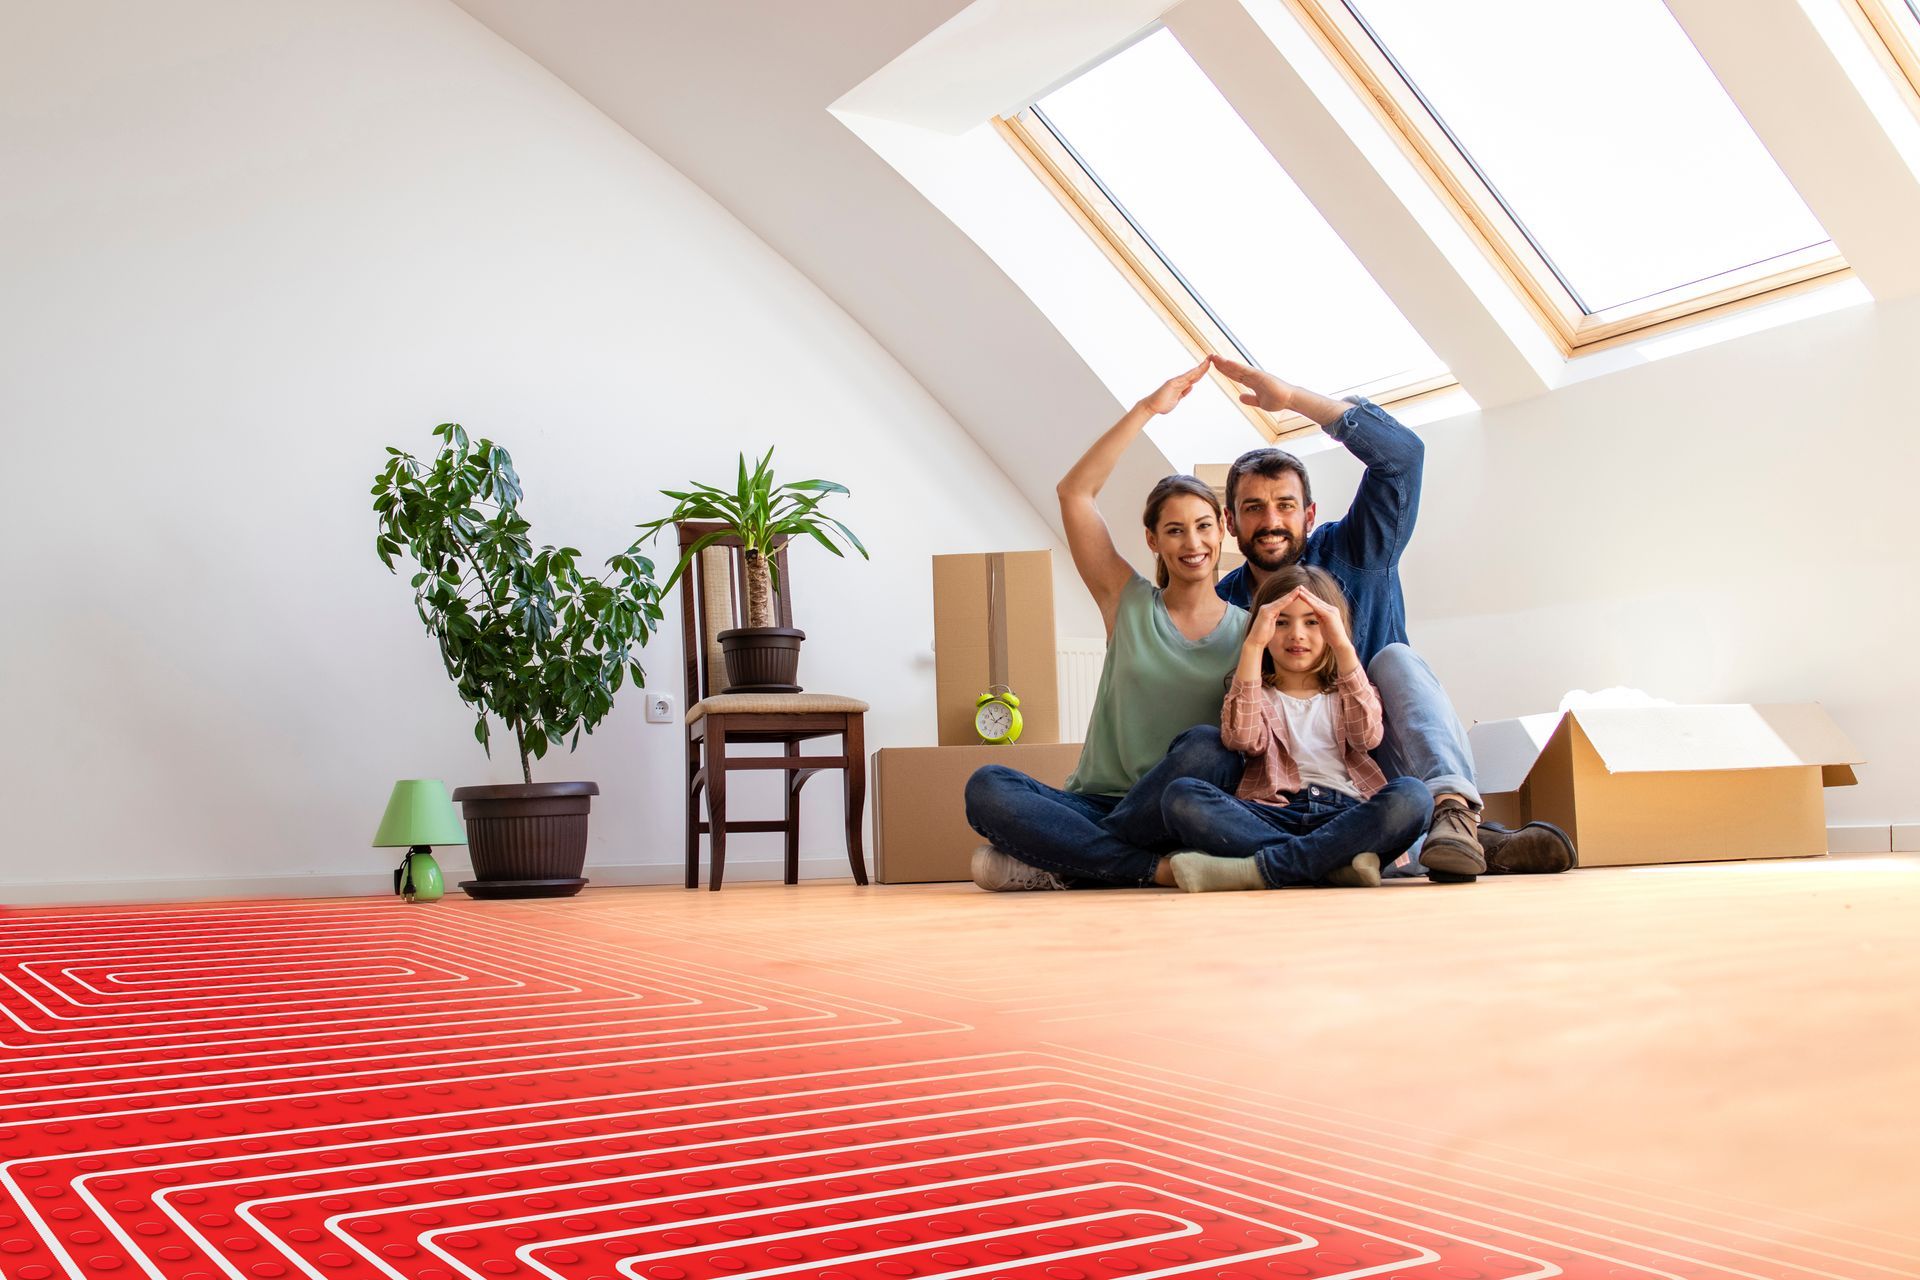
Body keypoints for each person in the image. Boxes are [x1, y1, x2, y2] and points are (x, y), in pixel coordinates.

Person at [1206, 354, 1575, 881]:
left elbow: (1402, 457)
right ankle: (1458, 847)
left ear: (1309, 514)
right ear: (1230, 522)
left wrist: (1290, 399)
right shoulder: (1226, 606)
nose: (1271, 522)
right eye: (1254, 508)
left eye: (1285, 506)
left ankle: (1453, 815)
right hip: (1291, 788)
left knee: (1397, 659)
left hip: (1383, 764)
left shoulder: (1356, 550)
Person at [965, 360, 1250, 891]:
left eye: (1204, 526)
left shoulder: (1251, 632)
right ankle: (1148, 868)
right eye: (1175, 530)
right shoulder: (1126, 600)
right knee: (988, 785)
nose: (1192, 543)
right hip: (1092, 800)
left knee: (1210, 746)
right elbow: (1075, 493)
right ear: (1153, 541)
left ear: (1222, 531)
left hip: (1176, 810)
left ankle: (1067, 857)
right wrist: (1146, 409)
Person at [1162, 565, 1431, 893]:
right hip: (1275, 814)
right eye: (1281, 622)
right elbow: (1241, 737)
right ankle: (1333, 865)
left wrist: (1343, 647)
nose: (1297, 635)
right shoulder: (1254, 692)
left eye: (1312, 622)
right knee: (1180, 797)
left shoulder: (1349, 689)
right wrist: (1251, 648)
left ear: (1331, 629)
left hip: (1347, 814)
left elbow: (1368, 735)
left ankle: (1263, 868)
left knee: (1414, 796)